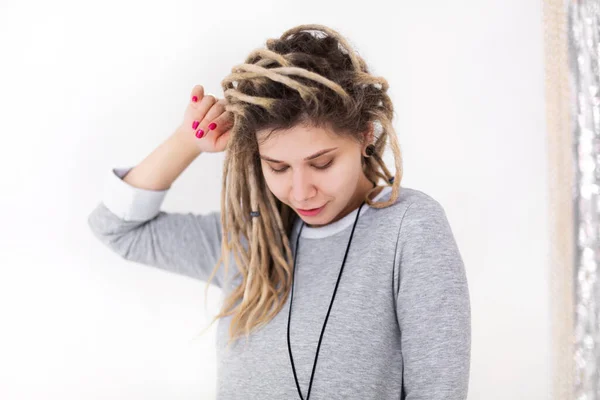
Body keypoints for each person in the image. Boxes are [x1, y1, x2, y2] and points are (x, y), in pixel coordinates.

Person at [87, 24, 471, 400]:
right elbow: (117, 228)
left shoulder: (408, 229)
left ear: (366, 135)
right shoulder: (251, 241)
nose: (301, 192)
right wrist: (188, 140)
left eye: (321, 163)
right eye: (278, 167)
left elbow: (438, 389)